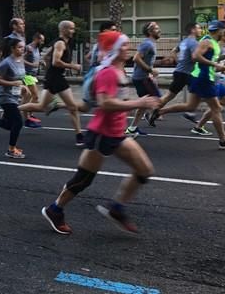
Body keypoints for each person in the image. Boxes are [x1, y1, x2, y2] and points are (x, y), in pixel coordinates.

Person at [41, 31, 159, 235]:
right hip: (101, 134)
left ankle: (117, 209)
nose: (127, 48)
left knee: (144, 170)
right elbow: (104, 103)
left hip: (117, 133)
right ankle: (55, 209)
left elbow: (96, 104)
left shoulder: (119, 70)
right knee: (83, 180)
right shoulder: (108, 73)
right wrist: (139, 102)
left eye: (127, 44)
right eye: (122, 45)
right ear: (113, 49)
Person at [152, 21, 225, 148]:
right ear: (220, 31)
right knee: (216, 108)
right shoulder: (207, 42)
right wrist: (213, 64)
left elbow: (212, 66)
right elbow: (195, 57)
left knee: (190, 106)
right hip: (203, 78)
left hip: (202, 77)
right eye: (224, 31)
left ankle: (160, 111)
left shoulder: (214, 43)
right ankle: (223, 139)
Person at [18, 21, 88, 147]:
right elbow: (56, 62)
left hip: (54, 77)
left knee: (41, 106)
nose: (73, 31)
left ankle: (13, 110)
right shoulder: (60, 43)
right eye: (71, 29)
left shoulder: (60, 42)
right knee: (72, 107)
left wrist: (48, 69)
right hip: (56, 78)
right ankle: (79, 136)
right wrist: (73, 66)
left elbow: (45, 58)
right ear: (64, 29)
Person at [184, 29, 225, 136]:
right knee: (216, 107)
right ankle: (219, 136)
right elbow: (213, 66)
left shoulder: (222, 48)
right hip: (210, 80)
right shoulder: (214, 45)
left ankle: (197, 119)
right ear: (222, 34)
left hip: (216, 80)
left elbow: (217, 66)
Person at [147, 23, 201, 127]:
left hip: (181, 72)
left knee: (170, 96)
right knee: (200, 93)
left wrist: (178, 62)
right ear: (193, 30)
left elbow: (173, 51)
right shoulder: (194, 43)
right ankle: (153, 112)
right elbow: (195, 57)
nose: (200, 30)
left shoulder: (184, 41)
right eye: (198, 28)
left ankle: (153, 112)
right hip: (186, 73)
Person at [125, 22, 161, 138]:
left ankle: (133, 127)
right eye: (156, 28)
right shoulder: (147, 44)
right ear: (150, 31)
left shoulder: (151, 44)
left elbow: (146, 60)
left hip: (143, 77)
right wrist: (150, 71)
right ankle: (127, 112)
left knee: (147, 102)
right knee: (154, 101)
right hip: (141, 78)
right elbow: (136, 58)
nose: (159, 30)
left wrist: (158, 65)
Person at [23, 32, 45, 128]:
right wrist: (32, 65)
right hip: (27, 75)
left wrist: (40, 62)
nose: (43, 42)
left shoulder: (36, 49)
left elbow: (35, 60)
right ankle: (27, 117)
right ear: (36, 39)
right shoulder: (28, 48)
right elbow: (21, 59)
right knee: (35, 97)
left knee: (29, 97)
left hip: (33, 75)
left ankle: (28, 114)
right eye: (41, 40)